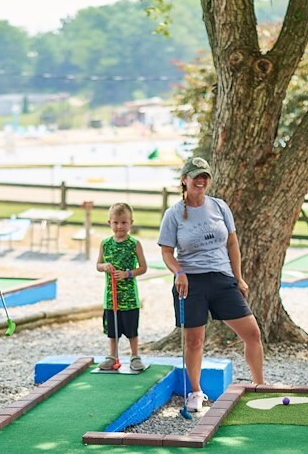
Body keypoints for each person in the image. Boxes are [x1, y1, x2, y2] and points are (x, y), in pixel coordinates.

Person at [158, 156, 265, 412]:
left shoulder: (219, 207)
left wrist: (238, 277)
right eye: (196, 176)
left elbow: (232, 244)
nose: (201, 180)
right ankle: (195, 392)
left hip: (221, 278)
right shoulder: (173, 214)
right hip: (190, 282)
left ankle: (260, 386)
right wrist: (179, 272)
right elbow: (166, 252)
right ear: (185, 180)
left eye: (204, 176)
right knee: (194, 341)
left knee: (252, 333)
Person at [96, 203, 148, 371]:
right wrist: (104, 266)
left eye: (124, 222)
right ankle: (113, 356)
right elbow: (98, 264)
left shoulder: (134, 244)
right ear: (109, 222)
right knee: (112, 331)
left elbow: (143, 267)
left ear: (131, 223)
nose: (120, 226)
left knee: (132, 330)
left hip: (129, 298)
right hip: (111, 298)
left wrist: (127, 274)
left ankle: (134, 356)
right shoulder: (105, 244)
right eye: (116, 222)